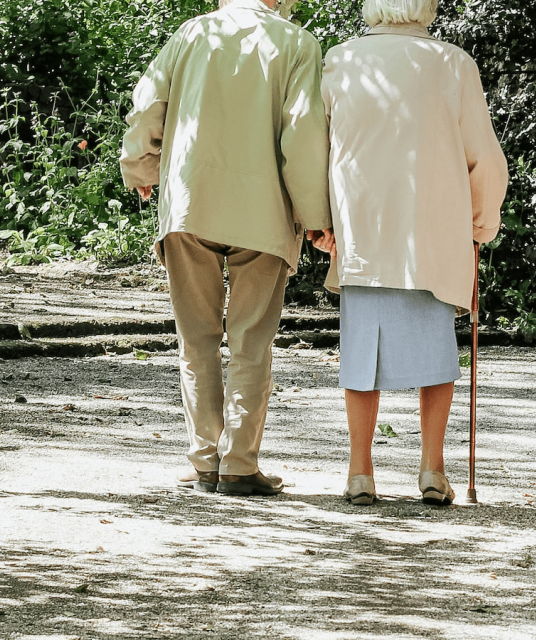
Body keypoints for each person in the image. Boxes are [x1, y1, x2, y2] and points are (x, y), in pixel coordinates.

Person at [120, 0, 334, 496]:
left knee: (195, 342)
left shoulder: (191, 33)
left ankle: (204, 461)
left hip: (191, 203)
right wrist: (315, 217)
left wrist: (141, 168)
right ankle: (238, 463)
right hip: (263, 212)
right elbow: (301, 135)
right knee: (251, 341)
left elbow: (147, 105)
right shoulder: (297, 43)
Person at [313, 0, 508, 505]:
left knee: (361, 354)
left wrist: (318, 223)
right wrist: (483, 224)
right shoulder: (453, 63)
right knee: (437, 354)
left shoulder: (341, 60)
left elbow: (317, 147)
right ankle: (432, 469)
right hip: (434, 231)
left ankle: (360, 472)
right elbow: (484, 157)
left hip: (363, 230)